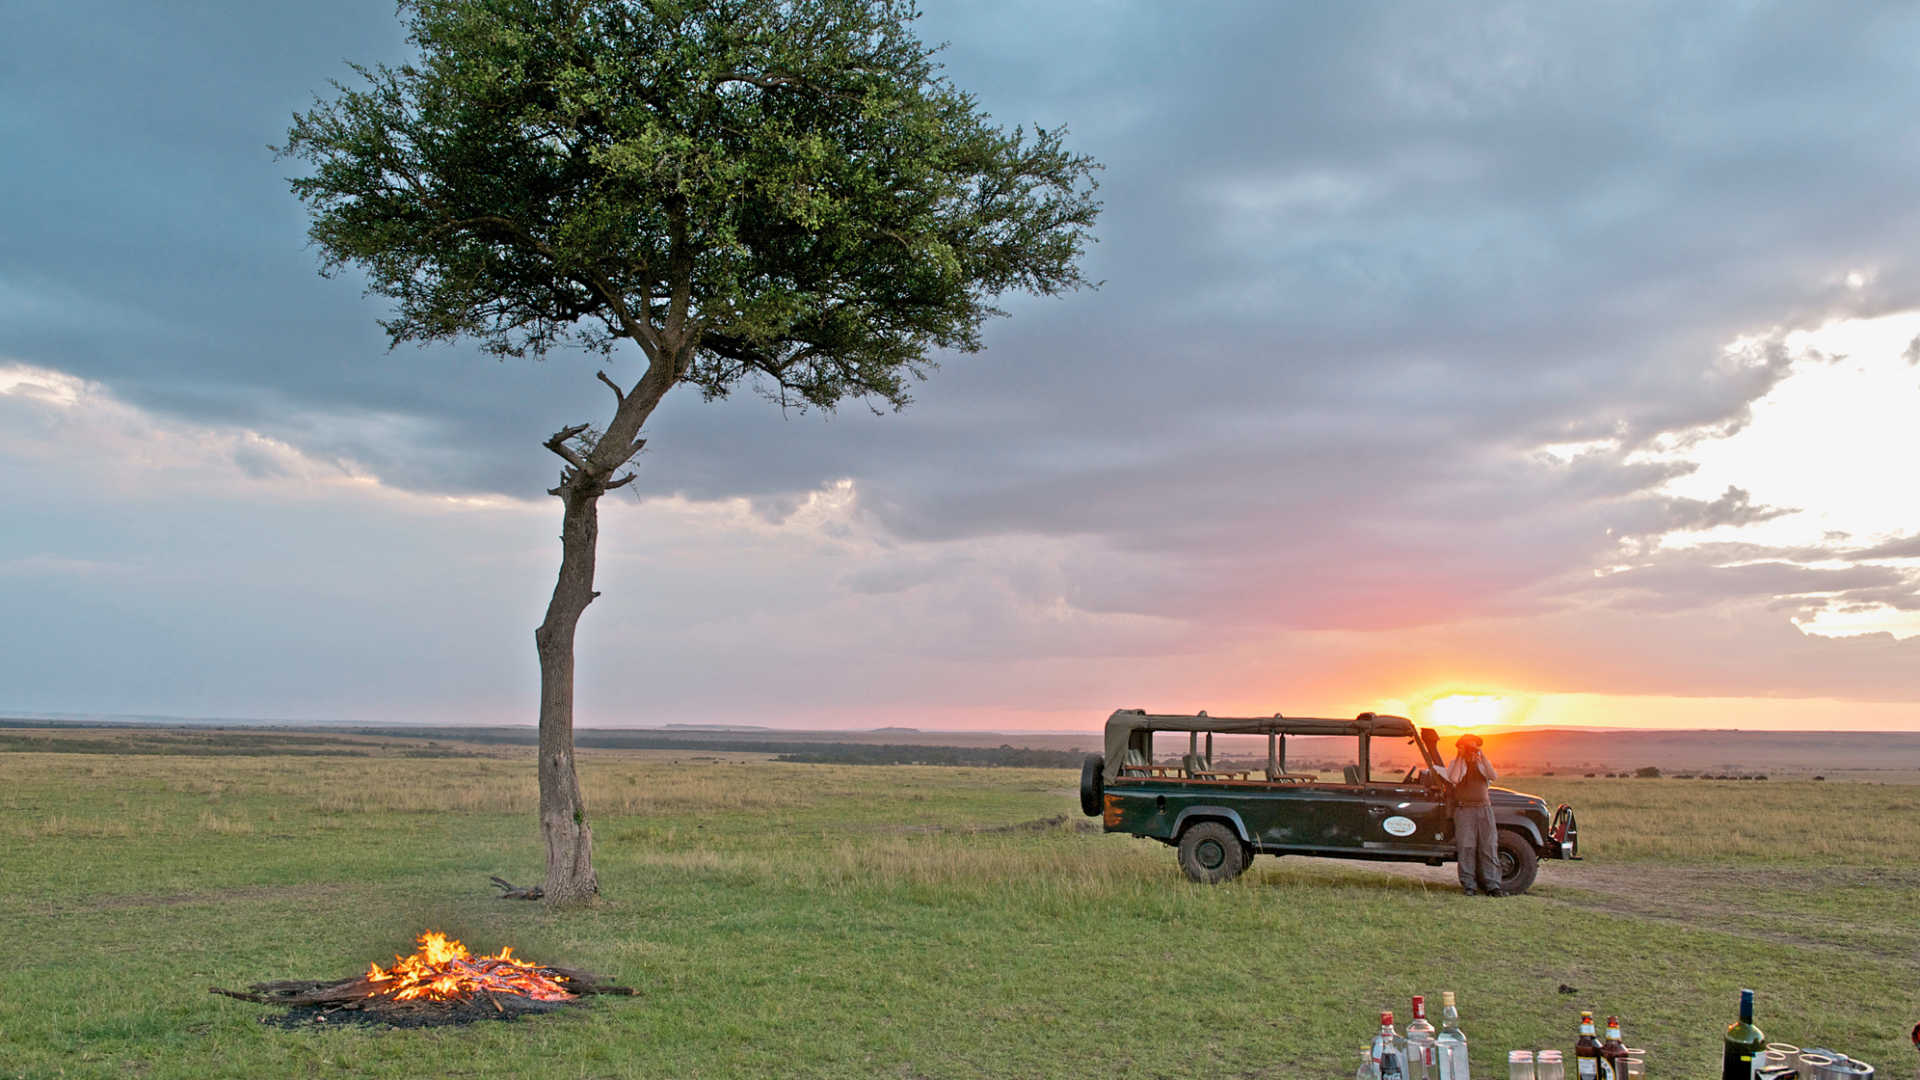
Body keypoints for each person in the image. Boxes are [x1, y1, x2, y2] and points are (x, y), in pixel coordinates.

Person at [1442, 734, 1502, 896]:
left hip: (1484, 809)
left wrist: (1482, 756)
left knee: (1488, 846)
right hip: (1464, 810)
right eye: (1468, 747)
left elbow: (1493, 776)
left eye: (1474, 746)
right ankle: (1469, 885)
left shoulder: (1482, 763)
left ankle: (1493, 885)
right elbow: (1453, 778)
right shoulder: (1456, 763)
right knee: (1466, 847)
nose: (1472, 750)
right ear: (1460, 747)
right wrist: (1460, 757)